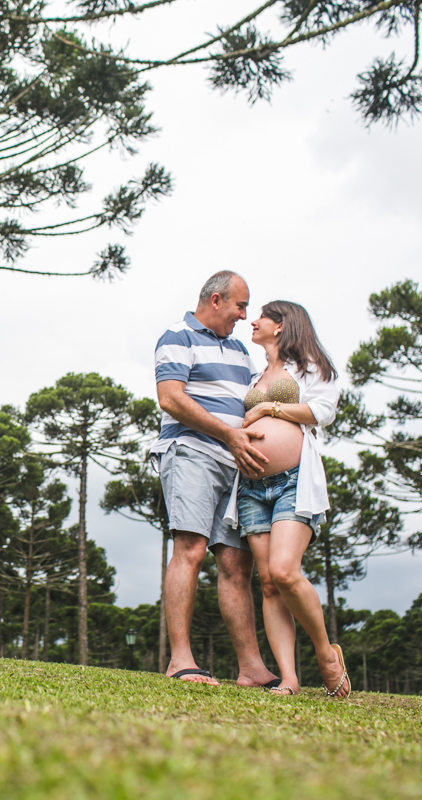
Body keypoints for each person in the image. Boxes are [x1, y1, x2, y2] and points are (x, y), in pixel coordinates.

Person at [153, 271, 279, 687]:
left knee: (235, 563)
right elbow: (171, 398)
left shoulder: (241, 351)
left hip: (235, 464)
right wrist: (227, 434)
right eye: (240, 306)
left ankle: (251, 668)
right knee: (190, 548)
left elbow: (247, 407)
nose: (244, 316)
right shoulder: (178, 336)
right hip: (192, 453)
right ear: (216, 299)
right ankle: (181, 661)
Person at [228, 300, 350, 698]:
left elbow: (323, 411)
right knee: (267, 585)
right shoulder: (255, 372)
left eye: (260, 315)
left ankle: (325, 653)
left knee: (284, 571)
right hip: (250, 488)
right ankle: (289, 680)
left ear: (280, 326)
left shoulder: (309, 366)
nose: (252, 320)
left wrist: (270, 406)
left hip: (293, 483)